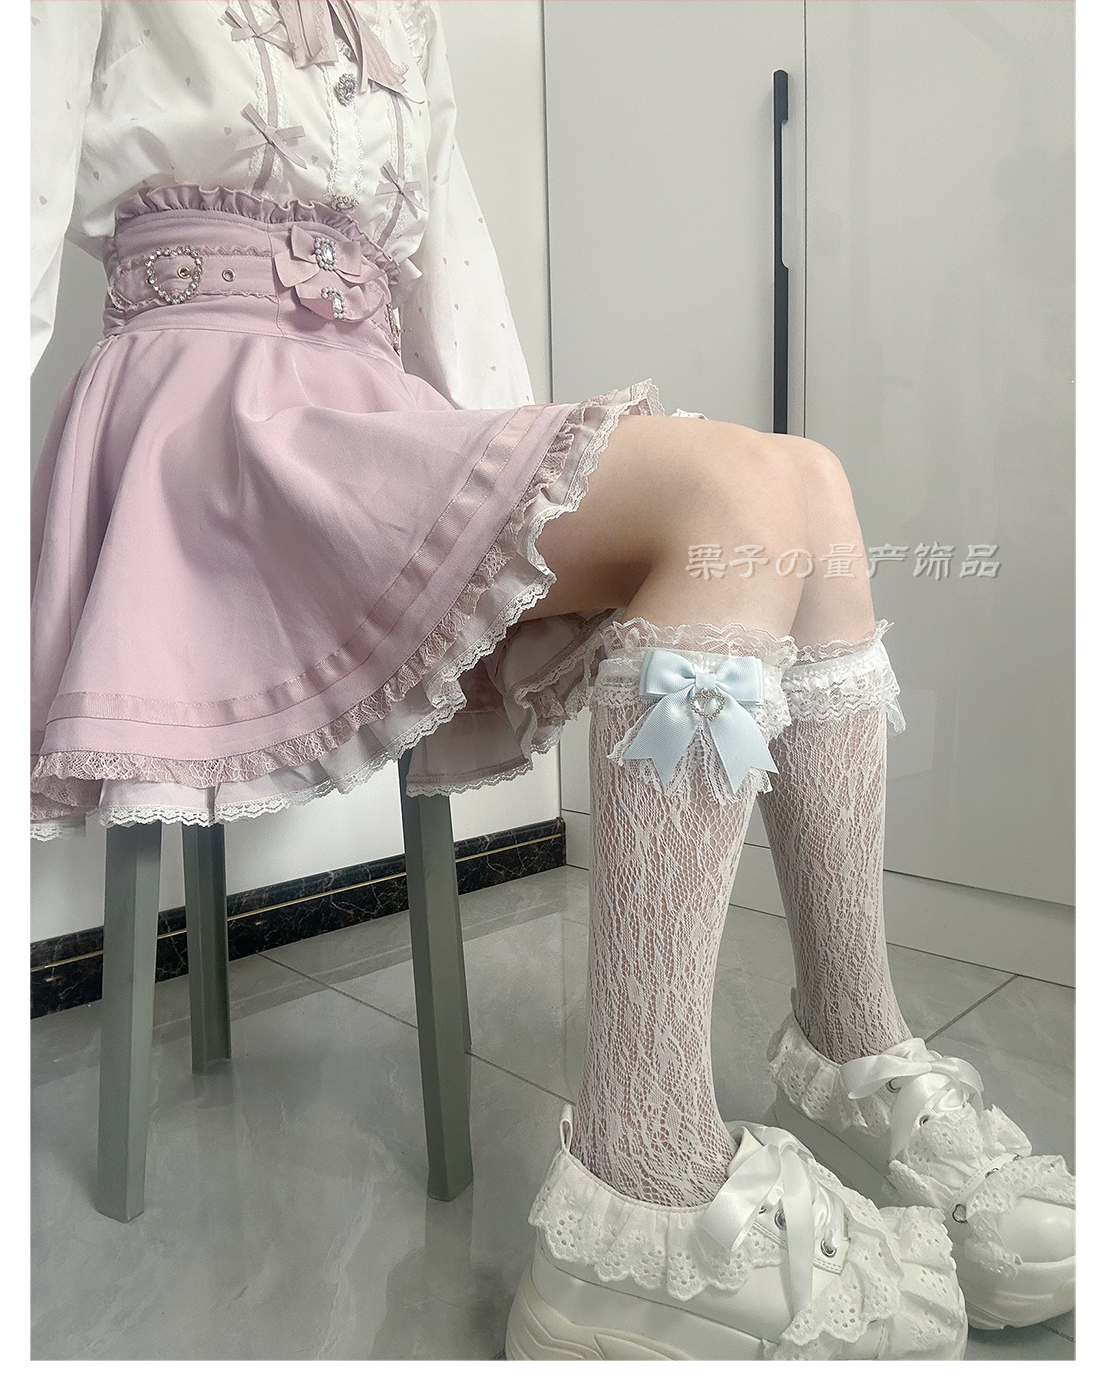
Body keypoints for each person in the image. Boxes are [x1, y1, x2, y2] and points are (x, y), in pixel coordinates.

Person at [31, 1, 1073, 1361]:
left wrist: (522, 497)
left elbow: (451, 286)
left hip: (379, 428)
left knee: (803, 483)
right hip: (206, 440)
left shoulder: (400, 16)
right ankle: (642, 1169)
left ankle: (852, 1039)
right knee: (736, 495)